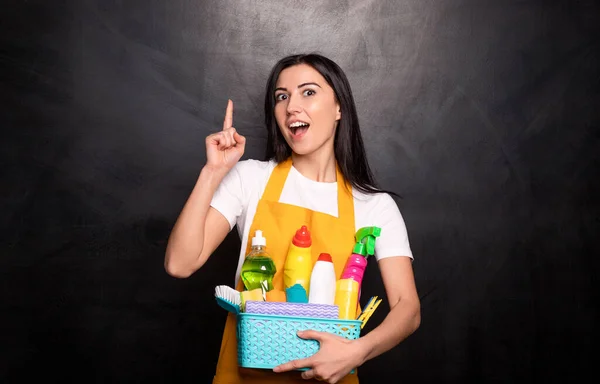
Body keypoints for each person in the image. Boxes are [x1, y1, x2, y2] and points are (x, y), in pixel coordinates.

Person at [164, 53, 421, 384]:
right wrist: (212, 172)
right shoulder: (251, 179)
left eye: (308, 92)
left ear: (339, 107)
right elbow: (179, 264)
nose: (290, 107)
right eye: (281, 96)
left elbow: (407, 308)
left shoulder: (373, 206)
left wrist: (357, 352)